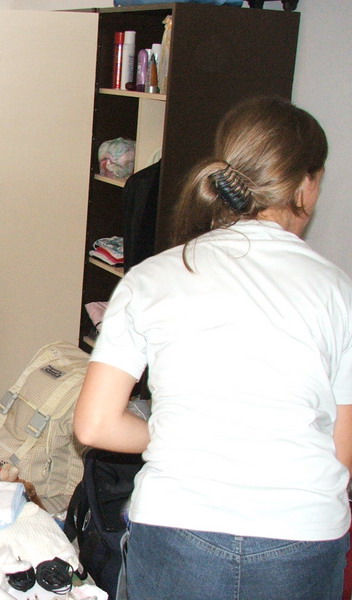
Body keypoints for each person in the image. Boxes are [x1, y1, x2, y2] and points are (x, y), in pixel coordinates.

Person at [73, 96, 352, 600]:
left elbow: (94, 425)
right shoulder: (339, 292)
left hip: (178, 523)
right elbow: (342, 449)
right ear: (307, 186)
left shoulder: (151, 278)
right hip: (303, 533)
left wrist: (179, 434)